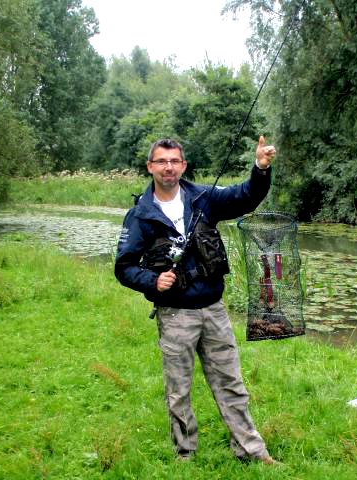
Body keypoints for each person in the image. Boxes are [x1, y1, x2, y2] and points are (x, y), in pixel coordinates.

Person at [115, 136, 277, 464]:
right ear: (150, 167)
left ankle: (252, 452)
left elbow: (245, 197)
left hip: (214, 311)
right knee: (179, 391)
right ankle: (185, 454)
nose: (168, 167)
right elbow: (124, 267)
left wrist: (260, 168)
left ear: (183, 165)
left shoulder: (204, 198)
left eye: (174, 161)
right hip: (175, 315)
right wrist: (153, 280)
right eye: (161, 161)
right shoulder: (140, 215)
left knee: (231, 383)